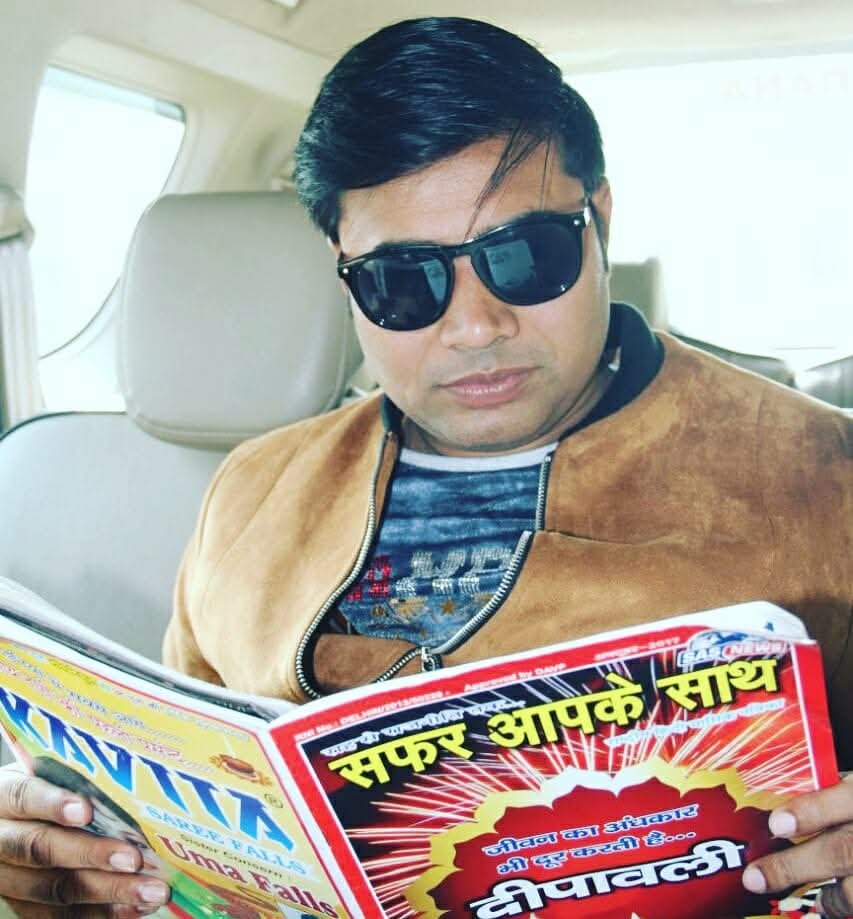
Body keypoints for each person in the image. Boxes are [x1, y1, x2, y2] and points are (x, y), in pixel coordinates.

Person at [0, 15, 850, 919]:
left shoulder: (823, 481)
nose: (476, 327)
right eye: (404, 280)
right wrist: (77, 864)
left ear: (598, 221)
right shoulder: (251, 494)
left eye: (524, 255)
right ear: (345, 276)